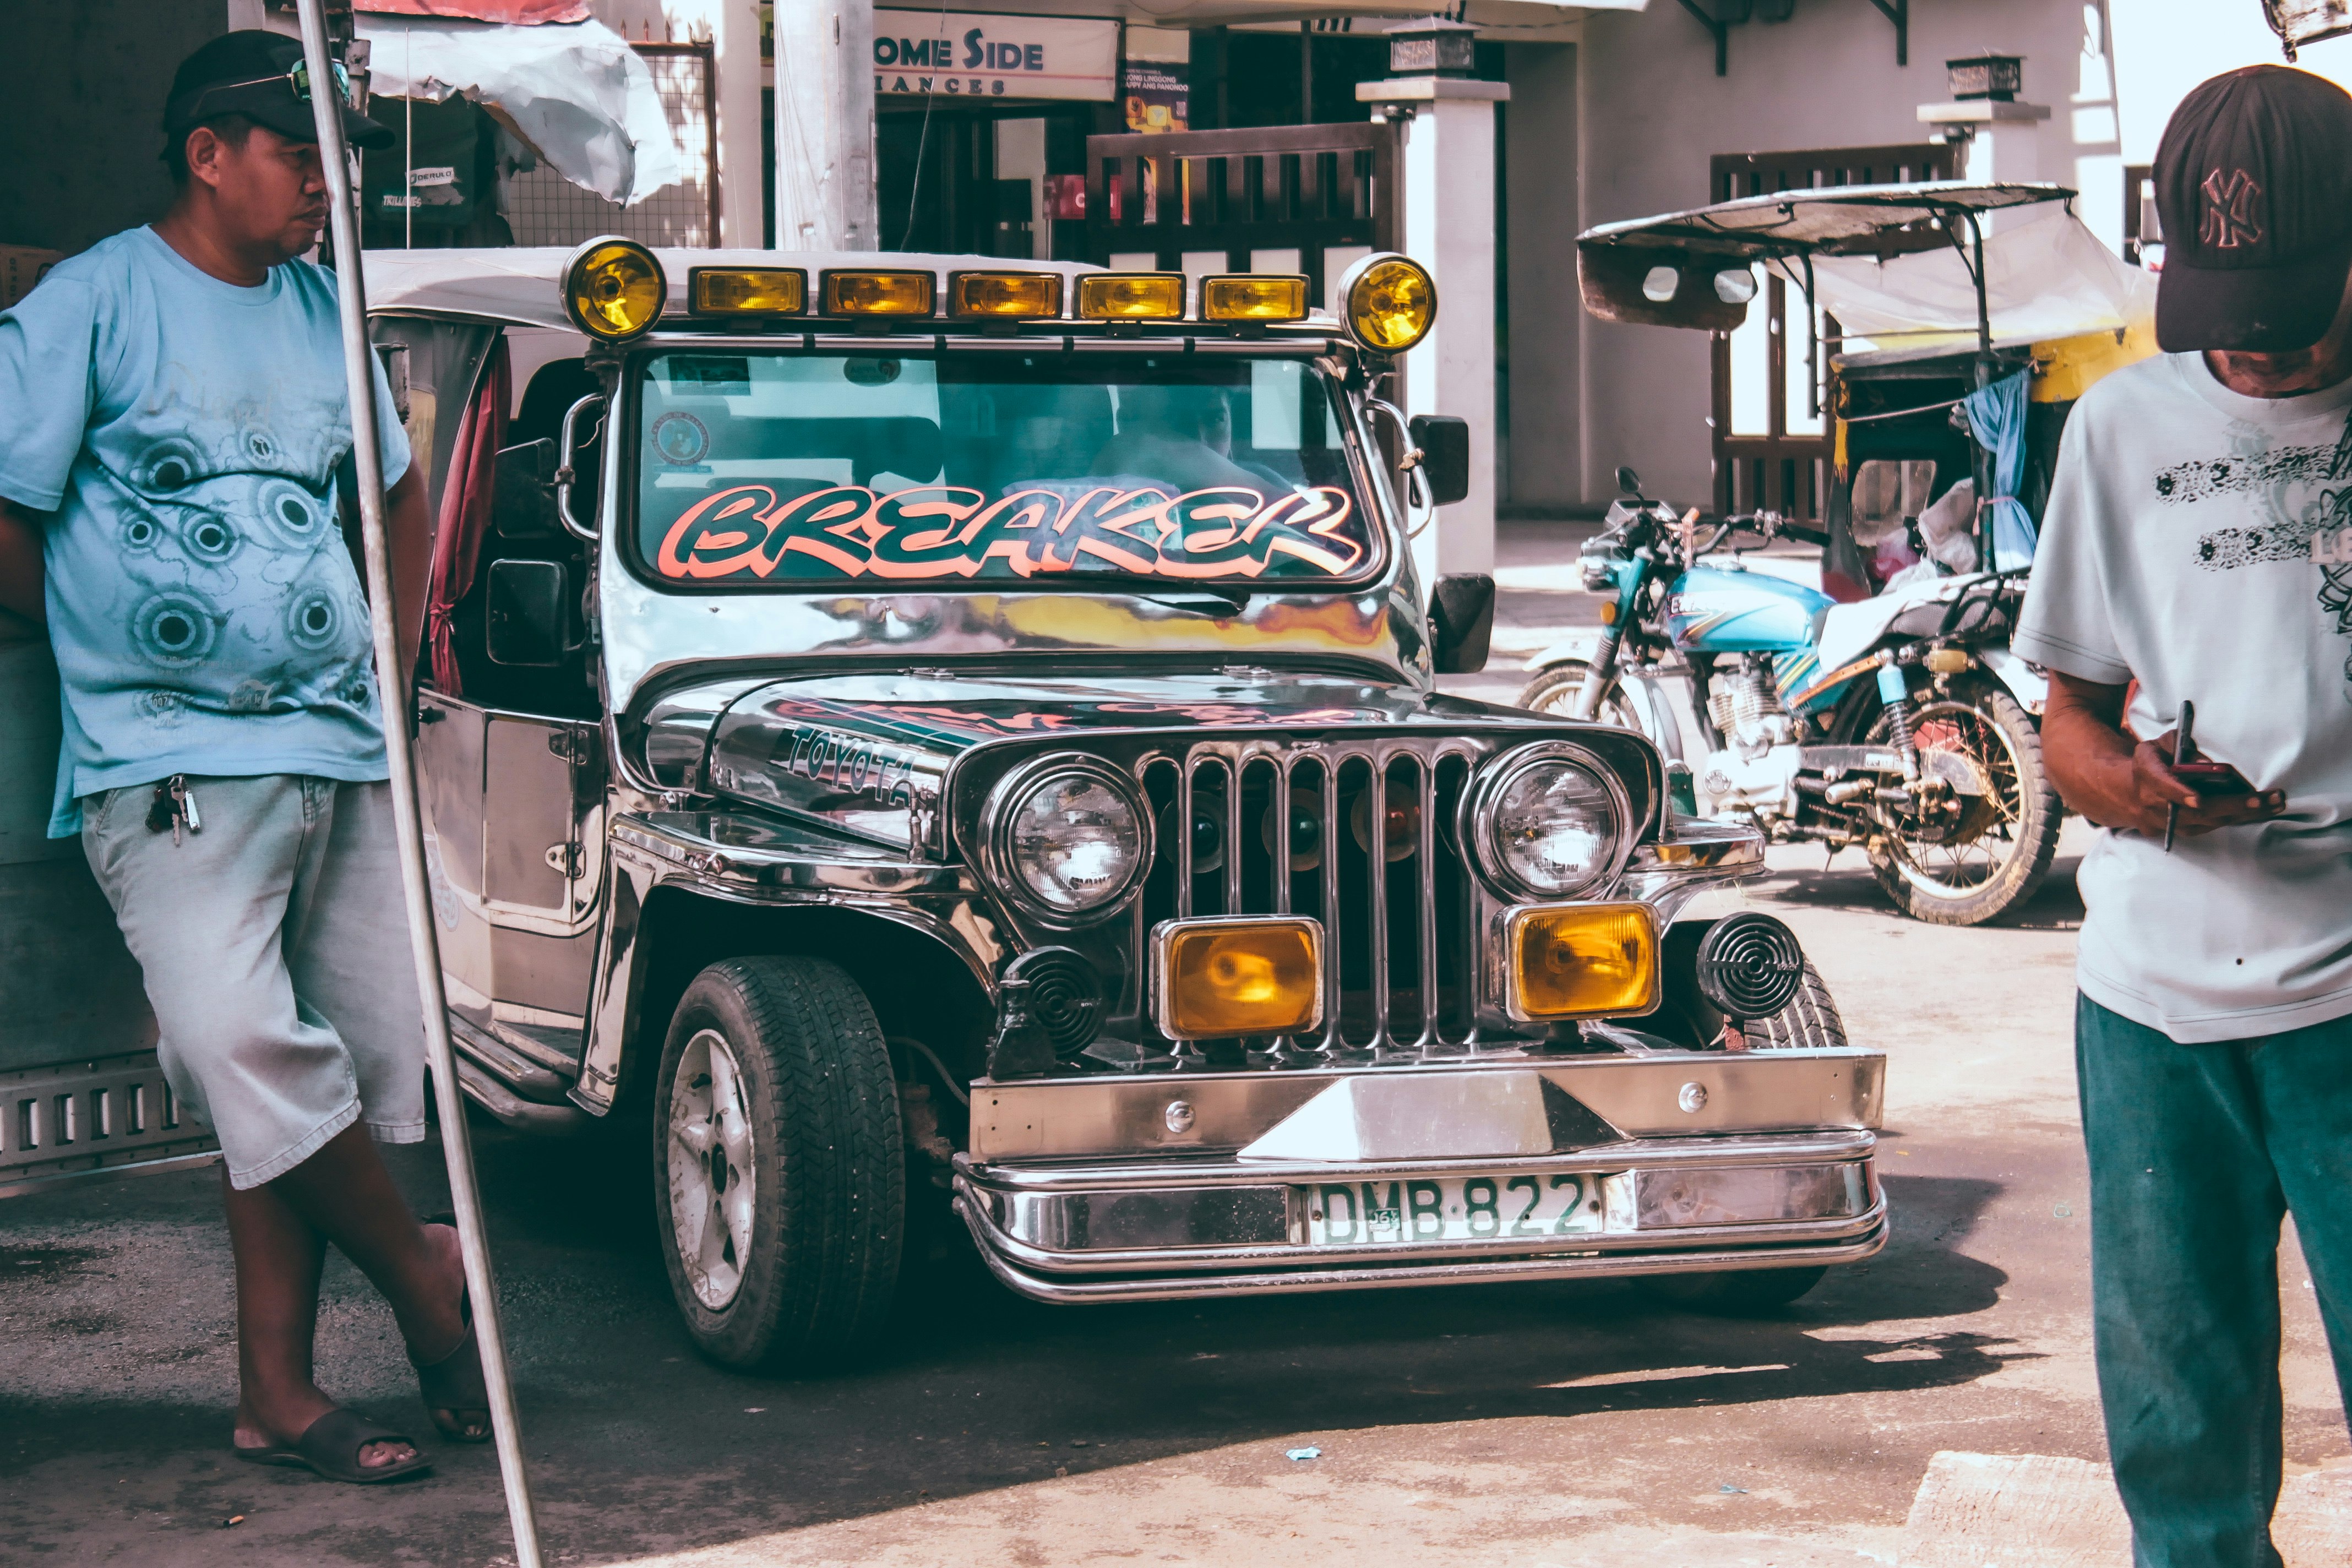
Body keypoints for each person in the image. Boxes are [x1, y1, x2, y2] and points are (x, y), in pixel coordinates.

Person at [0, 32, 484, 1483]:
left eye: (337, 159)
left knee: (312, 1076)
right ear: (208, 152)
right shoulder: (91, 305)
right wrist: (107, 639)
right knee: (238, 1045)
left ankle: (276, 1396)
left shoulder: (321, 314)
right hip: (168, 757)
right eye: (297, 155)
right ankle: (426, 1279)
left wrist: (388, 679)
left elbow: (399, 502)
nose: (325, 189)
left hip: (336, 745)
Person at [2017, 64, 2352, 1566]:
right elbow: (2068, 719)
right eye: (2228, 309)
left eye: (2289, 308)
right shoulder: (2118, 426)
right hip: (2150, 1019)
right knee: (2183, 1454)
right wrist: (2138, 796)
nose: (2259, 351)